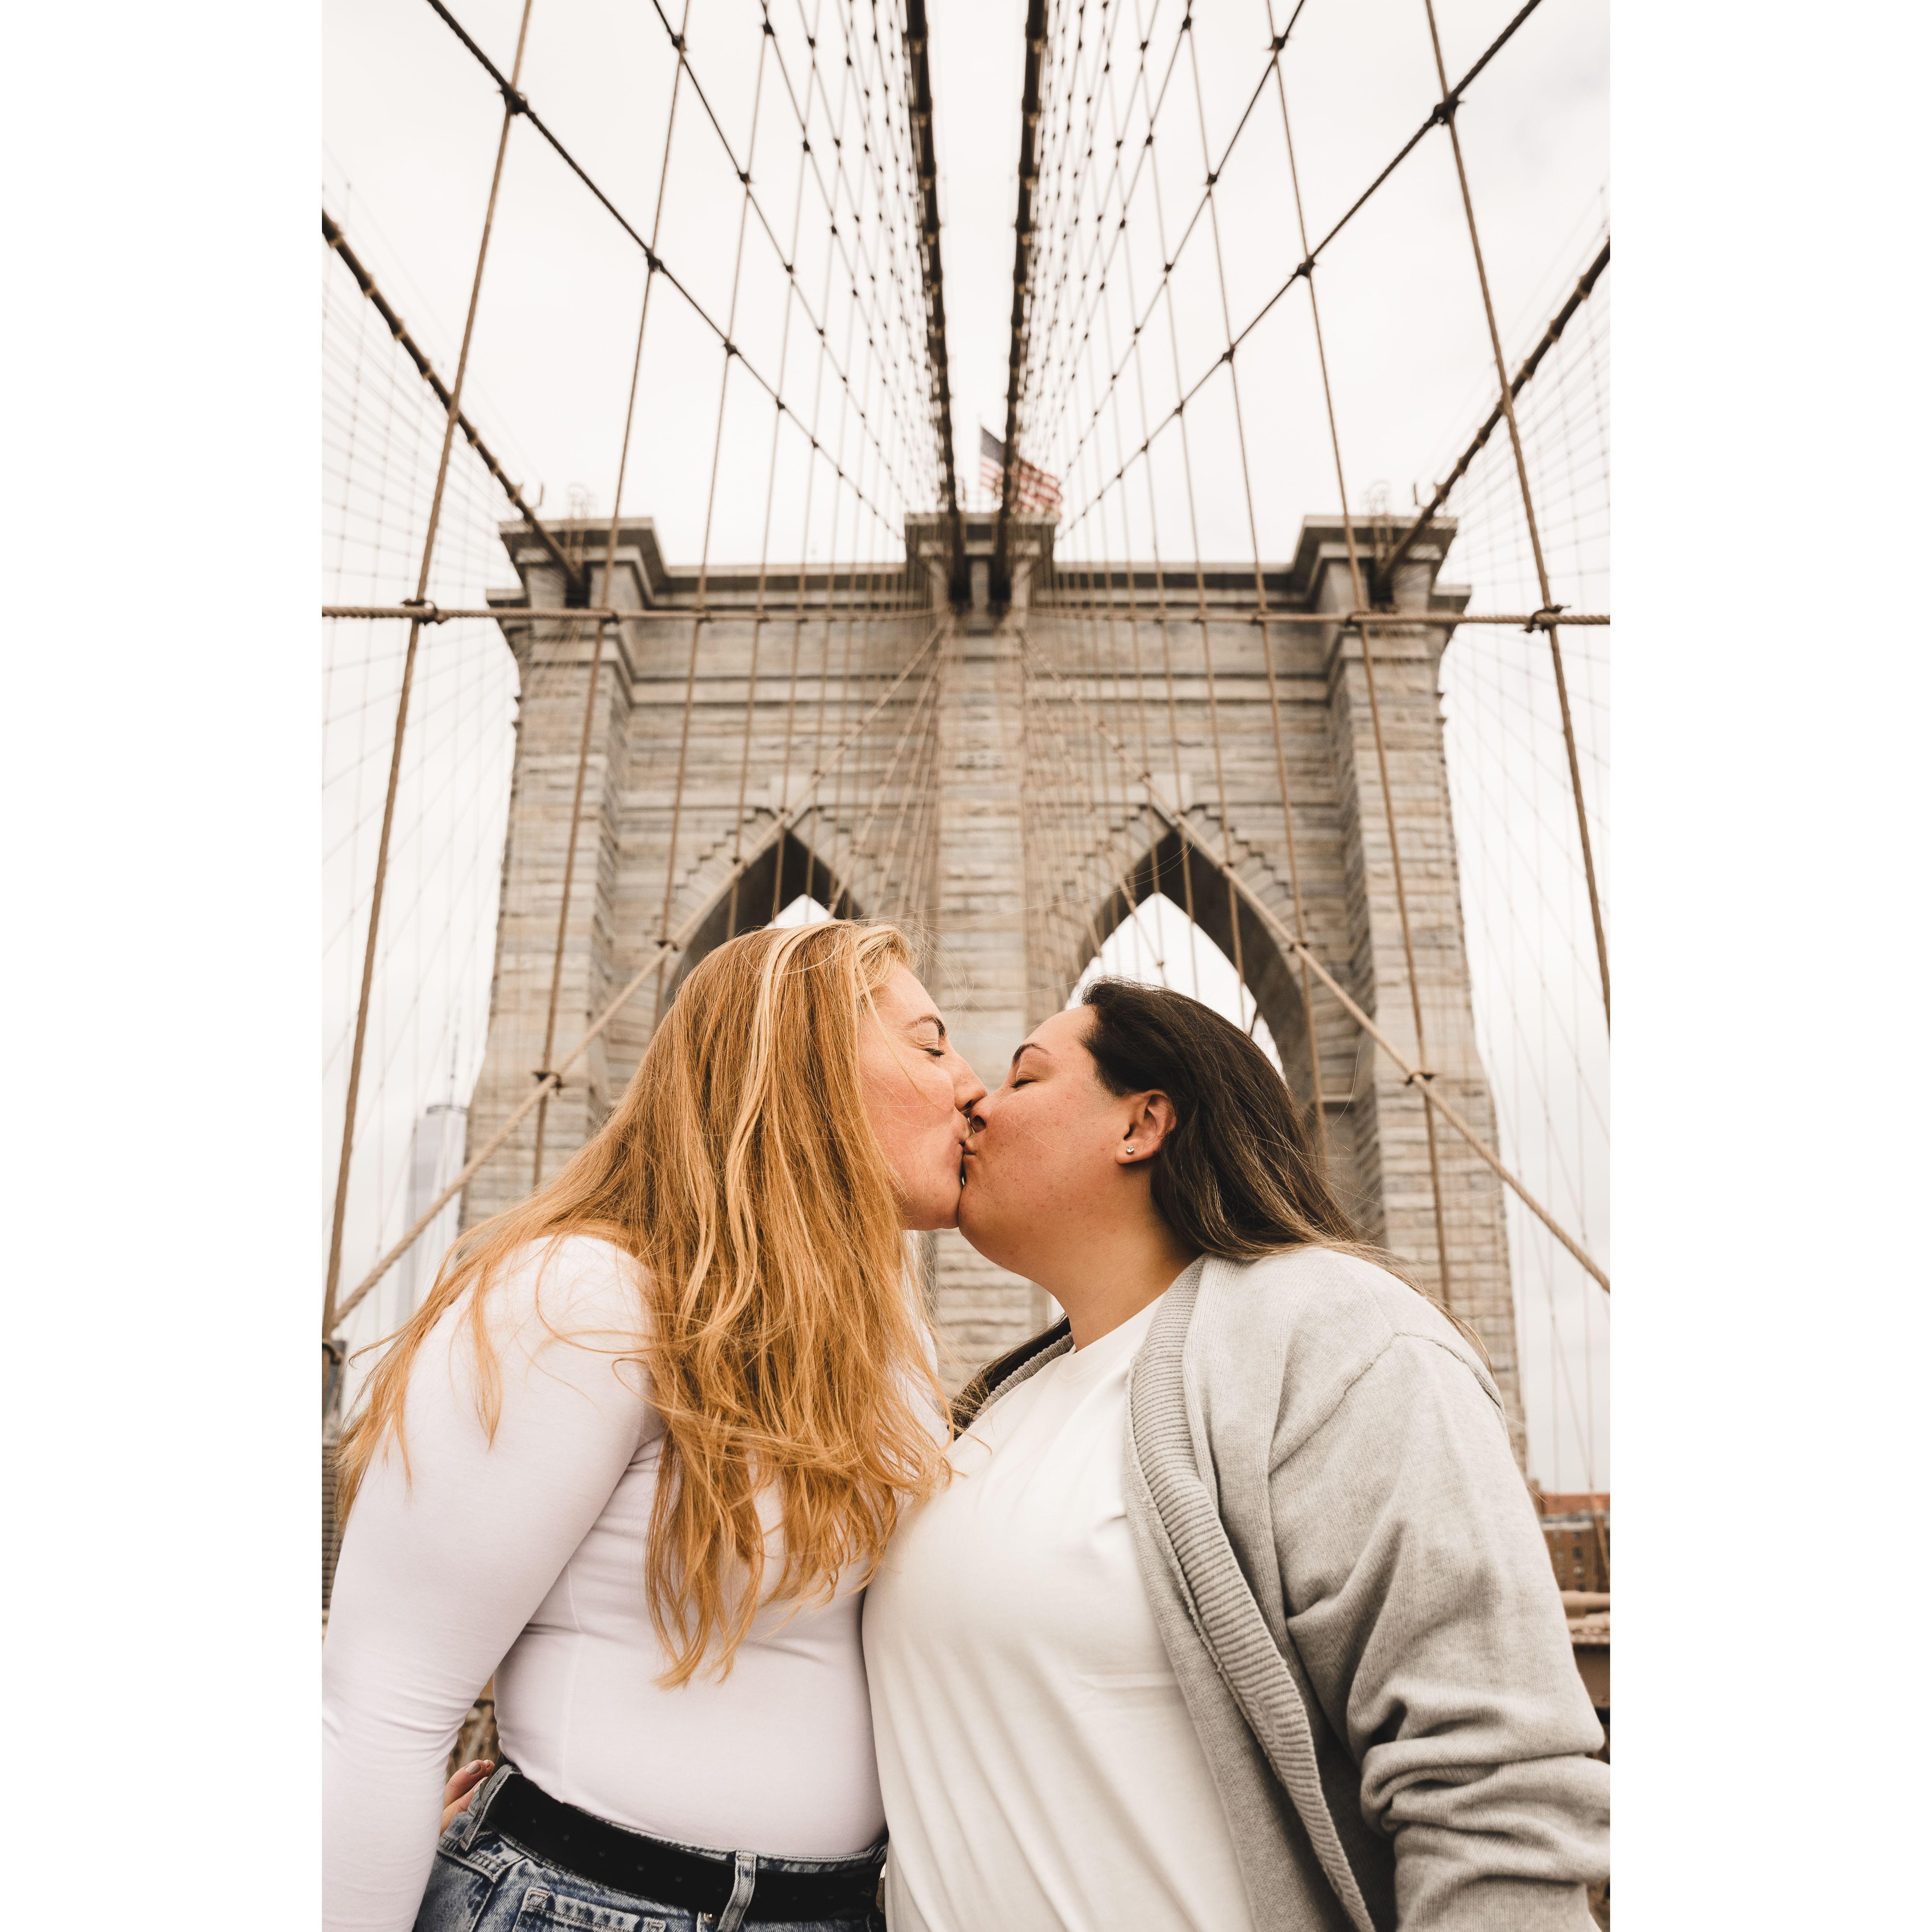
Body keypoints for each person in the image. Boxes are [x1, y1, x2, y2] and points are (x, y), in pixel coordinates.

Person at [863, 977, 1611, 1932]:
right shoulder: (991, 1406)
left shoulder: (1336, 1333)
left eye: (1025, 1076)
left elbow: (1496, 1790)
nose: (976, 1099)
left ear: (1141, 1123)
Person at [323, 920, 986, 1932]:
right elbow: (384, 1699)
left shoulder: (888, 1349)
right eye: (932, 1045)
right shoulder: (581, 1297)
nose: (974, 1086)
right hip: (583, 1907)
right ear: (799, 1063)